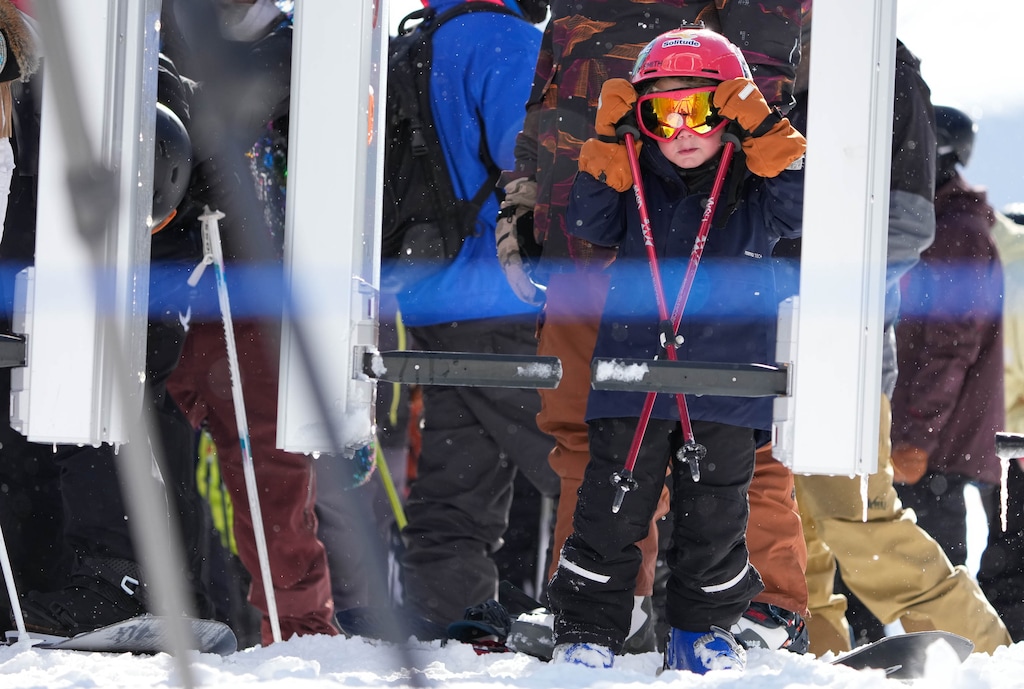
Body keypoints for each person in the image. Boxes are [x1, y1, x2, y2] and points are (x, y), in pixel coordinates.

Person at [495, 0, 809, 654]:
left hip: (727, 276)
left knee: (734, 469)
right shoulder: (572, 16)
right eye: (667, 113)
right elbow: (543, 113)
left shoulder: (735, 26)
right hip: (595, 265)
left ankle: (756, 610)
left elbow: (782, 88)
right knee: (598, 454)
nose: (682, 125)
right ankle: (598, 614)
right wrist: (523, 202)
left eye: (693, 110)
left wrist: (759, 126)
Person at [787, 14, 1013, 654]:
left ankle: (985, 654)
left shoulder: (875, 62)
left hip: (845, 357)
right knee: (794, 525)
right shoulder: (766, 47)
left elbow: (949, 346)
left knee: (860, 521)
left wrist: (916, 433)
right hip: (776, 344)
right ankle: (813, 655)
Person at [161, 0, 349, 644]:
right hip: (164, 279)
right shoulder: (148, 35)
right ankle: (161, 608)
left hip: (256, 292)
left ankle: (298, 628)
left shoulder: (310, 45)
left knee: (272, 468)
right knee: (140, 467)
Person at [383, 0, 562, 633]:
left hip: (431, 299)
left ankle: (443, 627)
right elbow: (535, 168)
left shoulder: (414, 44)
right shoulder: (507, 42)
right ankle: (621, 630)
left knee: (454, 490)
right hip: (503, 300)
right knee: (588, 470)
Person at [890, 105, 1004, 568]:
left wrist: (917, 436)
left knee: (927, 575)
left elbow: (950, 349)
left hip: (932, 451)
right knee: (882, 574)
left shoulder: (956, 235)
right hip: (926, 442)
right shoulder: (937, 227)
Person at [978, 204, 1024, 641]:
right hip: (1011, 439)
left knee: (1007, 552)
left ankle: (1000, 641)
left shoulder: (980, 251)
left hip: (992, 433)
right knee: (1010, 552)